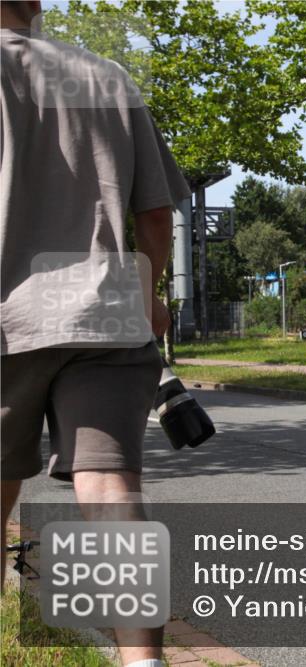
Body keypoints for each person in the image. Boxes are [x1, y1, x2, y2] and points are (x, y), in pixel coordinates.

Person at [1, 2, 189, 665]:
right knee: (110, 491)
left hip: (7, 317)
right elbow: (157, 216)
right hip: (107, 315)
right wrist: (150, 295)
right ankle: (144, 661)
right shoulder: (108, 77)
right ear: (38, 8)